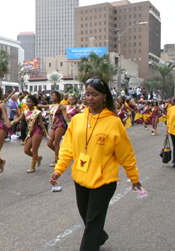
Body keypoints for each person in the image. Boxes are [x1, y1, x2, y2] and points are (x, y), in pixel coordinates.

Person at [50, 77, 142, 251]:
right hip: (80, 178)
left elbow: (126, 154)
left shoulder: (114, 123)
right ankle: (101, 235)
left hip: (104, 181)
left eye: (95, 94)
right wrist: (58, 170)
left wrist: (134, 178)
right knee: (88, 218)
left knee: (92, 222)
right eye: (87, 94)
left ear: (104, 96)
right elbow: (67, 149)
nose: (90, 98)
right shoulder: (76, 119)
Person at [11, 95, 47, 173]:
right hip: (30, 132)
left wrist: (46, 134)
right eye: (27, 102)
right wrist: (10, 122)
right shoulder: (25, 112)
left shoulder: (38, 112)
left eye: (29, 102)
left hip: (38, 131)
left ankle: (32, 167)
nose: (28, 103)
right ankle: (38, 158)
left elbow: (41, 124)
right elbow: (18, 120)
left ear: (34, 103)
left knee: (34, 150)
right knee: (26, 150)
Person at [38, 91, 66, 167]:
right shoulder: (51, 106)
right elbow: (42, 106)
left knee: (56, 143)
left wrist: (70, 123)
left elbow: (65, 116)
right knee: (49, 143)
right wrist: (35, 103)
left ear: (57, 97)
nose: (52, 97)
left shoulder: (60, 106)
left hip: (60, 124)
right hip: (53, 125)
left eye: (54, 96)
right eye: (51, 96)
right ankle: (62, 154)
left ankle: (56, 160)